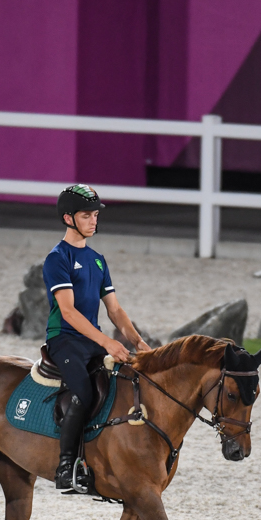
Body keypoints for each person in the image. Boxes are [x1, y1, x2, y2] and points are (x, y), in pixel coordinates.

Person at [43, 184, 151, 493]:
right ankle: (65, 467)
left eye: (95, 215)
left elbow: (114, 310)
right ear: (68, 218)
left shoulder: (98, 260)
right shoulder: (57, 259)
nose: (94, 221)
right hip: (64, 339)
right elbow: (68, 311)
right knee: (84, 394)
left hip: (90, 339)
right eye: (87, 215)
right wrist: (106, 342)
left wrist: (138, 342)